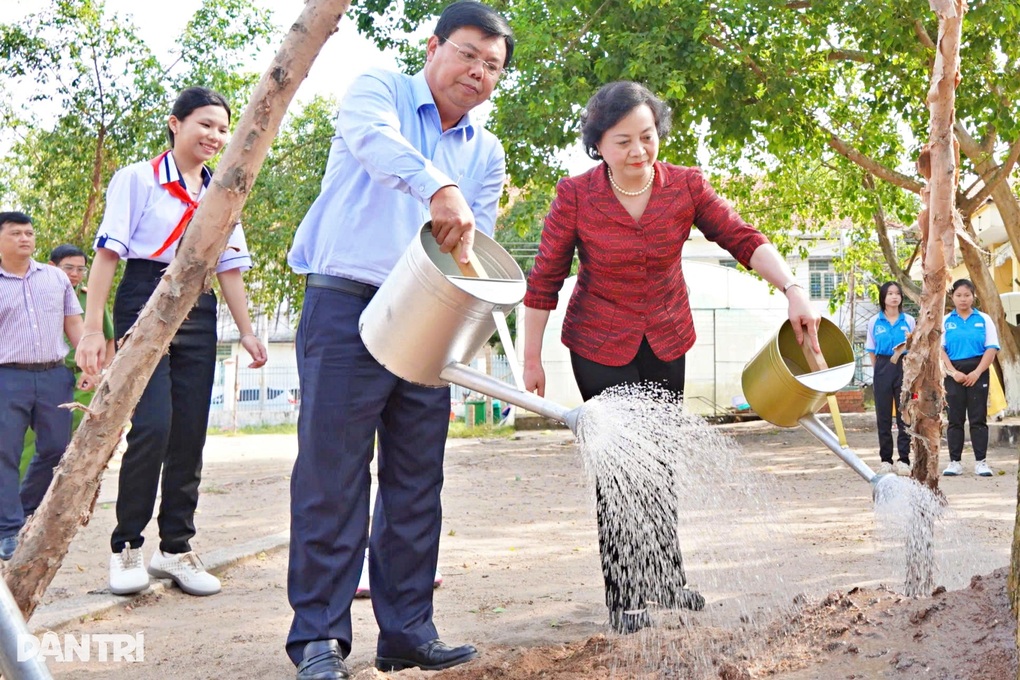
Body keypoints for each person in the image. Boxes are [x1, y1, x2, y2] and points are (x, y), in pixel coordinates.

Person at [521, 81, 821, 634]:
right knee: (621, 468)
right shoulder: (576, 195)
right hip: (599, 344)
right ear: (598, 146)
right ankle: (625, 593)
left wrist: (792, 289)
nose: (638, 152)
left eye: (647, 137)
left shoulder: (686, 186)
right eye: (622, 142)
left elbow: (741, 236)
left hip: (664, 337)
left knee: (658, 462)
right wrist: (531, 357)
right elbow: (543, 279)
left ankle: (665, 578)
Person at [284, 3, 513, 677]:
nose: (478, 72)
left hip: (429, 319)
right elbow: (379, 145)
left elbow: (478, 248)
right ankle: (318, 640)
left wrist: (465, 337)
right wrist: (439, 187)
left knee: (417, 480)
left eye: (493, 66)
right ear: (434, 45)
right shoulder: (376, 90)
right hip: (347, 305)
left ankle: (408, 627)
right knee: (333, 475)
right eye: (469, 54)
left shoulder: (487, 151)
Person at [76, 86, 267, 597]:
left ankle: (176, 548)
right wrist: (94, 329)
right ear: (175, 124)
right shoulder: (136, 178)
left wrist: (246, 332)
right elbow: (108, 255)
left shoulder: (223, 189)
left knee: (189, 432)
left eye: (223, 129)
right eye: (205, 124)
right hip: (145, 293)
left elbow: (229, 265)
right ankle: (126, 548)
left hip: (198, 305)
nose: (215, 136)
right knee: (154, 427)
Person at [0, 212, 85, 561]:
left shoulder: (55, 278)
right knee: (5, 453)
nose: (25, 238)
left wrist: (86, 363)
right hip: (7, 377)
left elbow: (74, 325)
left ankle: (21, 509)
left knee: (55, 449)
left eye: (30, 233)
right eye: (16, 233)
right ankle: (8, 531)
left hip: (54, 376)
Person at [21, 244, 116, 478]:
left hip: (82, 379)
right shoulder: (33, 293)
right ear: (52, 266)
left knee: (79, 434)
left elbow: (108, 339)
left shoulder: (89, 299)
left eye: (80, 269)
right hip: (43, 374)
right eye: (69, 268)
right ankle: (23, 496)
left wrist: (100, 374)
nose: (75, 274)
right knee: (31, 440)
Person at [941, 278, 999, 477]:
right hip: (953, 372)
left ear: (973, 296)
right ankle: (954, 462)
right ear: (952, 297)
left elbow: (991, 348)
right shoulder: (946, 321)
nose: (963, 299)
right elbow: (940, 350)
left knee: (978, 417)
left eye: (967, 295)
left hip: (979, 370)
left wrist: (977, 372)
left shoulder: (984, 319)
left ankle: (981, 462)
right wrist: (953, 372)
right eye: (958, 295)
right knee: (955, 418)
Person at [864, 281, 915, 476]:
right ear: (883, 297)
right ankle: (886, 460)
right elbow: (871, 350)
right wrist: (879, 372)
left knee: (904, 414)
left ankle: (904, 459)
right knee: (883, 416)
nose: (894, 297)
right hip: (883, 367)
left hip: (904, 367)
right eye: (890, 293)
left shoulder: (909, 321)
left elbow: (914, 346)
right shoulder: (874, 322)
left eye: (897, 293)